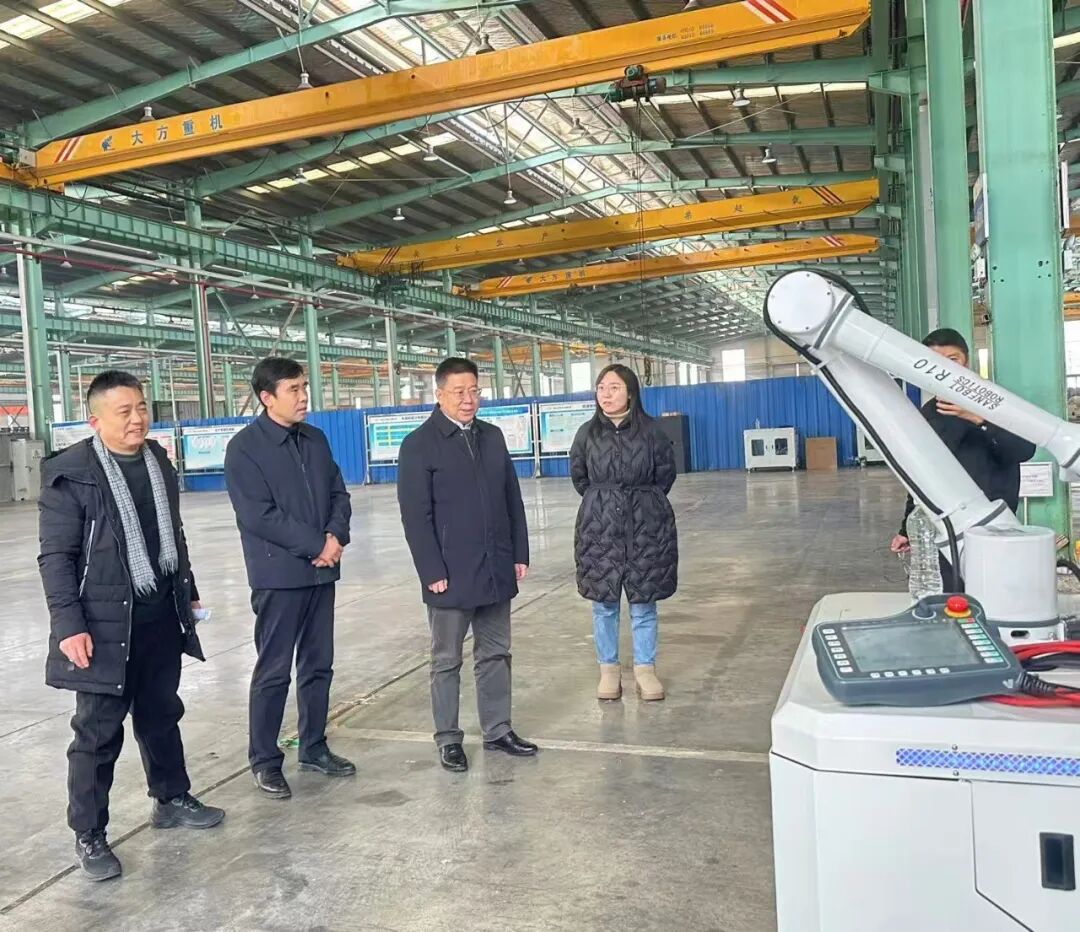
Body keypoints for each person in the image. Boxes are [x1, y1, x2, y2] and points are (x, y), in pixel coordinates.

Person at [38, 370, 224, 882]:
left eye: (142, 408)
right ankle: (89, 833)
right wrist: (68, 626)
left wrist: (187, 587)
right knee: (96, 734)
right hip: (103, 624)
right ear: (95, 420)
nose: (137, 419)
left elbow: (173, 534)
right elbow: (56, 557)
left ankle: (171, 797)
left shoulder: (157, 460)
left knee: (162, 713)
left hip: (160, 612)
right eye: (124, 411)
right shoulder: (70, 474)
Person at [396, 357, 537, 773]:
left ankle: (498, 729)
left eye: (474, 391)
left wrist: (519, 553)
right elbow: (415, 516)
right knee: (447, 660)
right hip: (450, 574)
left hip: (495, 566)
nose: (468, 399)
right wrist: (431, 571)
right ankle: (448, 738)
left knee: (496, 653)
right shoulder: (419, 445)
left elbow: (512, 499)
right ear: (439, 394)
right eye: (459, 392)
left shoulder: (491, 437)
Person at [224, 357, 354, 799]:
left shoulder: (314, 439)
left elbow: (338, 492)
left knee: (318, 666)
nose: (303, 397)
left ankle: (314, 746)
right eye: (293, 389)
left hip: (322, 574)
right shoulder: (245, 448)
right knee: (274, 671)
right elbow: (258, 515)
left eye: (304, 387)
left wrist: (335, 535)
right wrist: (316, 544)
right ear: (267, 397)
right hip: (279, 577)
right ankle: (264, 760)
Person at [570, 364, 678, 702]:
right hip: (599, 527)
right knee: (604, 604)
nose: (606, 394)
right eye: (601, 387)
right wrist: (605, 501)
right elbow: (580, 478)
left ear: (630, 392)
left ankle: (645, 670)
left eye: (614, 387)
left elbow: (665, 475)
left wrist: (641, 502)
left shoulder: (652, 432)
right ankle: (609, 671)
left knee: (644, 603)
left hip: (646, 525)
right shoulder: (587, 434)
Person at [890, 329, 1036, 569]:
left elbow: (1024, 451)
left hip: (996, 527)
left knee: (994, 587)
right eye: (935, 361)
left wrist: (979, 418)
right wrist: (907, 527)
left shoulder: (998, 403)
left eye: (953, 359)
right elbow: (919, 474)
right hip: (947, 530)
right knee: (951, 590)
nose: (945, 368)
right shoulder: (928, 415)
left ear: (966, 361)